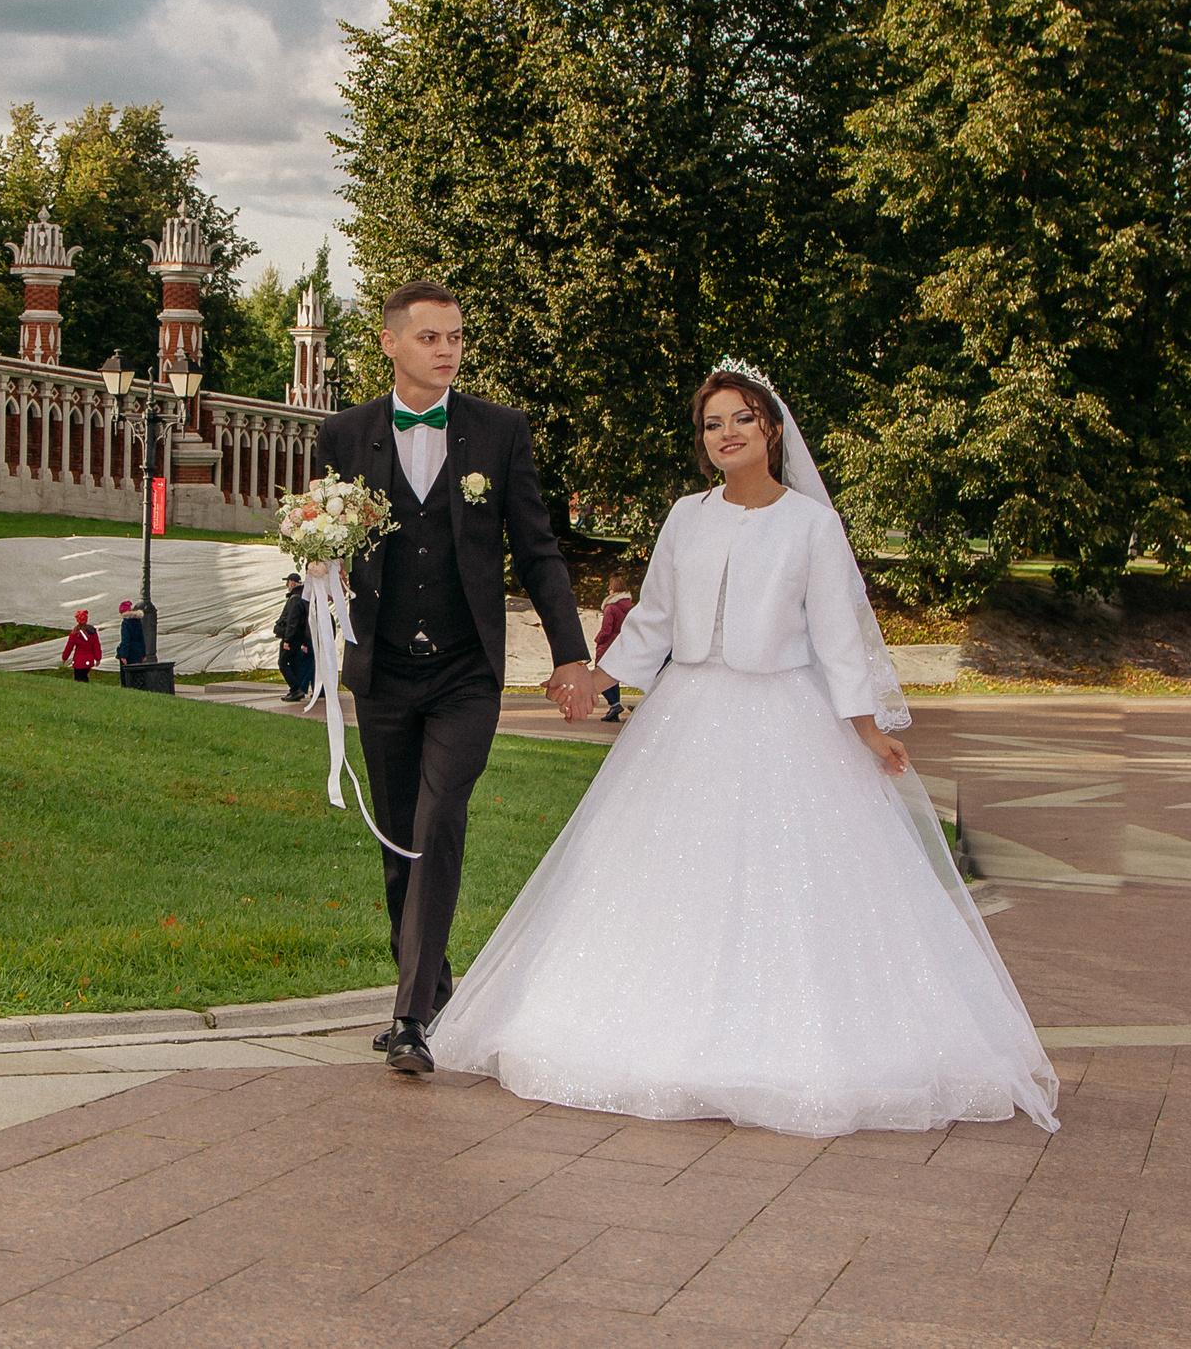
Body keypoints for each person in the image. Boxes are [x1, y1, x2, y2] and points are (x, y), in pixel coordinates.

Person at [429, 363, 1060, 1137]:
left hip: (786, 714)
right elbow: (654, 617)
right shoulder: (686, 516)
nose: (726, 434)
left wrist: (866, 727)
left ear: (771, 430)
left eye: (742, 419)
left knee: (784, 877)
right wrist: (596, 677)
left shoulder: (809, 524)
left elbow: (837, 631)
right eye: (712, 423)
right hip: (688, 711)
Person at [311, 279, 593, 1077]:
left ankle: (407, 1018)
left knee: (439, 820)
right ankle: (430, 985)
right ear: (390, 343)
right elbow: (319, 544)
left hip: (468, 669)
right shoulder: (343, 434)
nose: (447, 350)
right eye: (430, 336)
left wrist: (569, 653)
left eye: (457, 337)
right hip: (383, 666)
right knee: (398, 837)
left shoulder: (499, 433)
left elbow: (537, 548)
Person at [593, 573, 634, 721]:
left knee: (600, 674)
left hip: (608, 643)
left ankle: (614, 703)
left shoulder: (611, 608)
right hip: (621, 643)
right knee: (613, 677)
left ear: (613, 589)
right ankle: (614, 709)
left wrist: (599, 639)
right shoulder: (630, 608)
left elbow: (606, 629)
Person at [274, 572, 314, 702]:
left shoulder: (295, 599)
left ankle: (295, 688)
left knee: (283, 663)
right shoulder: (302, 597)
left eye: (288, 582)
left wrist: (287, 640)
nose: (287, 585)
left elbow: (292, 621)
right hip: (298, 638)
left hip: (292, 638)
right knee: (295, 664)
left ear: (292, 583)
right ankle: (298, 690)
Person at [60, 610, 102, 682]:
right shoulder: (92, 632)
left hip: (78, 660)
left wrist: (64, 657)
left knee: (78, 678)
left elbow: (69, 647)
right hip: (89, 659)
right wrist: (98, 658)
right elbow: (96, 646)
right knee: (84, 676)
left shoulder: (74, 633)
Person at [113, 599, 147, 675]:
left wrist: (123, 655)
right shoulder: (138, 622)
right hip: (138, 650)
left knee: (127, 675)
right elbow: (142, 638)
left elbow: (125, 640)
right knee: (137, 674)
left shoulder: (126, 623)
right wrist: (143, 653)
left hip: (129, 652)